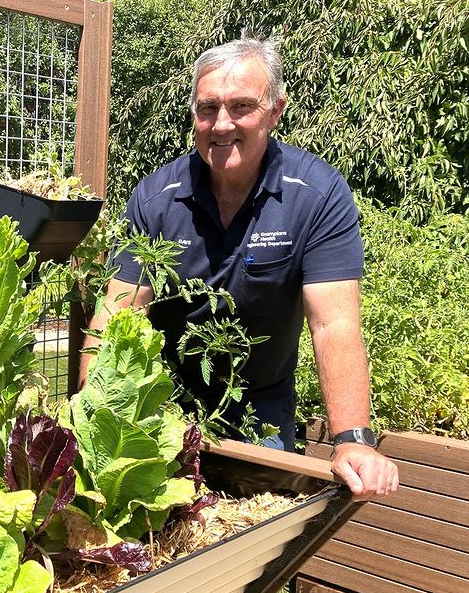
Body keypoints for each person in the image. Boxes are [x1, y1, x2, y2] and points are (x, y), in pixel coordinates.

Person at [82, 37, 398, 500]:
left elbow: (334, 322)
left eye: (241, 106)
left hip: (260, 411)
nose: (222, 123)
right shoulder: (156, 198)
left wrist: (352, 439)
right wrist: (92, 410)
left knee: (257, 545)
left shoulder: (316, 194)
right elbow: (117, 312)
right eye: (207, 108)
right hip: (160, 407)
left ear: (275, 111)